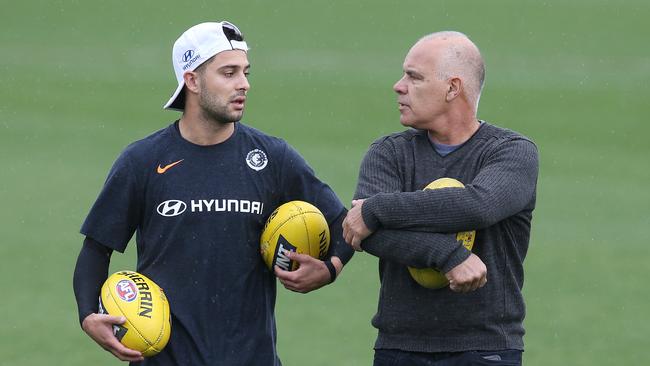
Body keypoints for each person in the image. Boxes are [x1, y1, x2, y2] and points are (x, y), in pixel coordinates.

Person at [73, 21, 353, 365]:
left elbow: (344, 221)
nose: (244, 84)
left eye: (245, 72)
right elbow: (96, 248)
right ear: (192, 80)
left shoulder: (272, 158)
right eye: (229, 73)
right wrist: (89, 316)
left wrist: (331, 267)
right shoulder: (143, 161)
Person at [342, 31, 538, 365]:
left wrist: (377, 208)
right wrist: (447, 255)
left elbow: (479, 205)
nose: (398, 86)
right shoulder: (389, 153)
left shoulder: (512, 152)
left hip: (485, 348)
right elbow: (368, 235)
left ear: (452, 88)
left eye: (414, 77)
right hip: (400, 347)